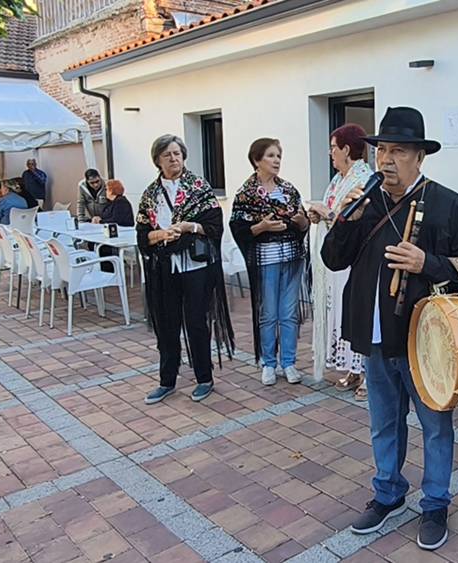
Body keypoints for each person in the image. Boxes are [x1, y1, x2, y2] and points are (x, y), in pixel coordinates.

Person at [322, 107, 458, 551]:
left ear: (419, 157)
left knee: (435, 425)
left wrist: (426, 263)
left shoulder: (448, 204)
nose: (386, 160)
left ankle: (434, 503)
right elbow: (333, 258)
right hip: (375, 337)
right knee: (383, 421)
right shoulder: (367, 200)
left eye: (397, 151)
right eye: (381, 151)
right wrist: (346, 219)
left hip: (426, 341)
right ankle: (388, 494)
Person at [137, 134, 233, 404]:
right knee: (167, 326)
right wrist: (161, 235)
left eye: (177, 153)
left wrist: (189, 227)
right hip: (164, 268)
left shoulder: (198, 187)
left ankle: (204, 378)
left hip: (195, 266)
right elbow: (142, 234)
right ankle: (166, 381)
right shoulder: (150, 195)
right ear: (158, 160)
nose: (173, 158)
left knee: (196, 323)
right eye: (167, 154)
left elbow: (214, 226)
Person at [230, 138, 309, 386]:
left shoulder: (288, 189)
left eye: (279, 156)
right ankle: (268, 363)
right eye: (271, 156)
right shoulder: (246, 193)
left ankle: (289, 362)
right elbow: (238, 228)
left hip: (292, 257)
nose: (276, 161)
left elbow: (304, 222)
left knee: (288, 313)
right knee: (268, 314)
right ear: (257, 160)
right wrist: (261, 226)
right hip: (265, 259)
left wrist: (300, 222)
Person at [307, 123, 373, 401]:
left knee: (355, 313)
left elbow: (355, 220)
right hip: (333, 259)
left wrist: (329, 214)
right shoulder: (338, 179)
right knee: (339, 315)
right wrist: (317, 215)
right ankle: (351, 368)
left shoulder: (363, 179)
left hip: (352, 259)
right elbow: (333, 212)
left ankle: (367, 374)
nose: (330, 153)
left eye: (334, 147)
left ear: (347, 149)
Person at [98, 180, 134, 273]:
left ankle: (109, 271)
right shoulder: (111, 203)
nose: (105, 192)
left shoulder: (121, 202)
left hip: (123, 235)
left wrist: (100, 221)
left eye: (106, 190)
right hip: (116, 233)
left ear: (111, 190)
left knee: (102, 246)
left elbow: (116, 220)